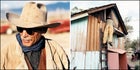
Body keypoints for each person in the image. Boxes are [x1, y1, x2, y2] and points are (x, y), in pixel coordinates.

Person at [1, 2, 69, 69]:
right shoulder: (6, 52)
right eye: (20, 29)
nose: (24, 35)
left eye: (29, 30)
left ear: (42, 30)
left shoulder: (56, 49)